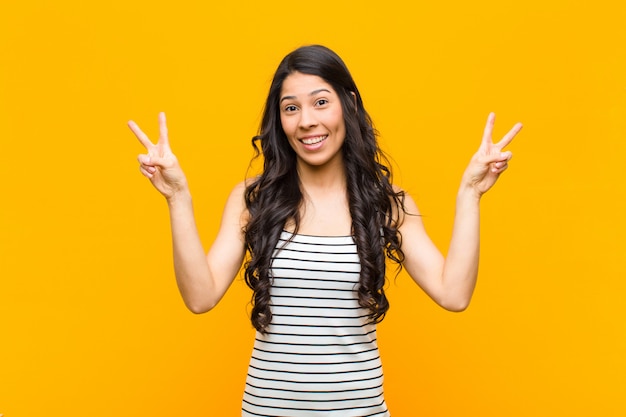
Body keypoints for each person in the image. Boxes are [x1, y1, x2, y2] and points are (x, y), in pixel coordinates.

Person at [128, 45, 522, 417]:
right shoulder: (254, 198)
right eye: (290, 108)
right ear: (279, 121)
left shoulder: (385, 203)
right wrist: (177, 197)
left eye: (320, 102)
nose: (306, 121)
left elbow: (454, 294)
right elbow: (200, 296)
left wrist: (470, 193)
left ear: (348, 104)